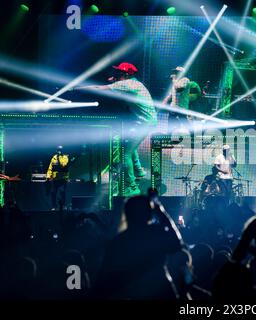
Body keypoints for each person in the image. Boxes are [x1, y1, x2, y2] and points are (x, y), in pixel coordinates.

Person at [77, 62, 157, 196]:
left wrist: (78, 88)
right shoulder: (135, 83)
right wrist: (115, 81)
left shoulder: (127, 84)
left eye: (119, 73)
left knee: (125, 153)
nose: (116, 75)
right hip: (145, 121)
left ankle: (131, 187)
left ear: (126, 74)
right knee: (129, 145)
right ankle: (138, 170)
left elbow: (98, 88)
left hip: (144, 122)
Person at [93, 195, 184, 299]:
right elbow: (178, 245)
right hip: (162, 291)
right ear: (149, 214)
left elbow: (103, 278)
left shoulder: (118, 242)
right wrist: (161, 212)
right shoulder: (155, 233)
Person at [46, 146, 73, 211]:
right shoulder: (54, 158)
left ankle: (63, 206)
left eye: (60, 150)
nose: (59, 151)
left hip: (62, 178)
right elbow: (50, 167)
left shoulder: (65, 157)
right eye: (58, 150)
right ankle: (54, 206)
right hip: (55, 179)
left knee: (62, 192)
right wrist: (48, 176)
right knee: (53, 193)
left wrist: (58, 158)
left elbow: (63, 165)